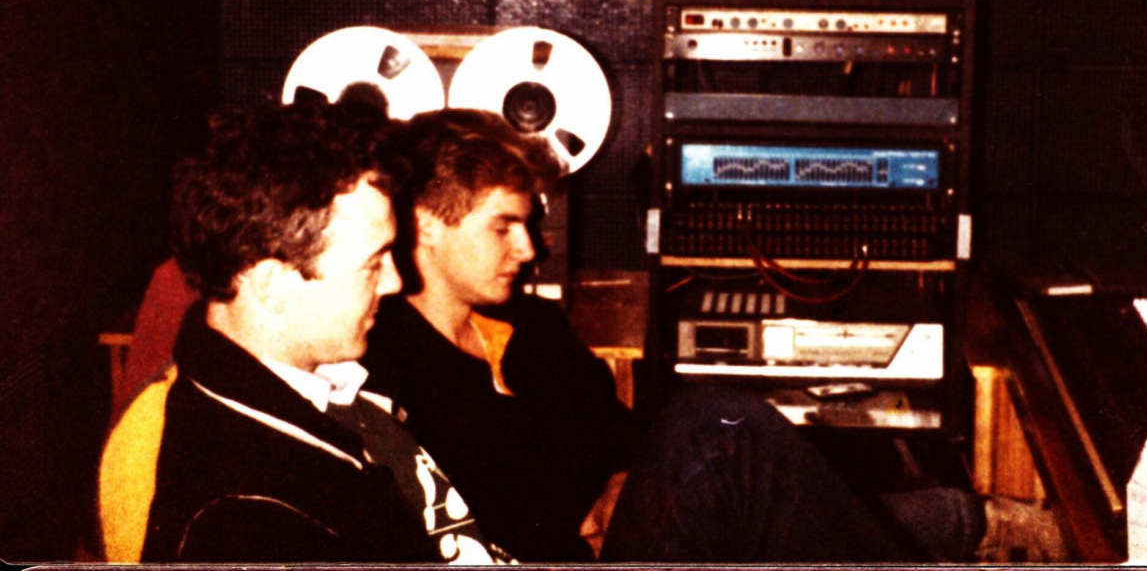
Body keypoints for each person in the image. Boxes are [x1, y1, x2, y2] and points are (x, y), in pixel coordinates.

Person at [365, 108, 1068, 564]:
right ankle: (972, 524)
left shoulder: (527, 326)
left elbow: (620, 436)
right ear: (427, 223)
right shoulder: (386, 367)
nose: (530, 248)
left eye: (529, 223)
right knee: (719, 434)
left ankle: (973, 519)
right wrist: (596, 502)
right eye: (504, 227)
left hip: (627, 531)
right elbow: (480, 522)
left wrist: (620, 484)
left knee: (790, 507)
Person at [97, 103, 513, 563]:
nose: (395, 282)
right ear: (272, 285)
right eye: (372, 263)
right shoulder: (246, 526)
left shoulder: (331, 370)